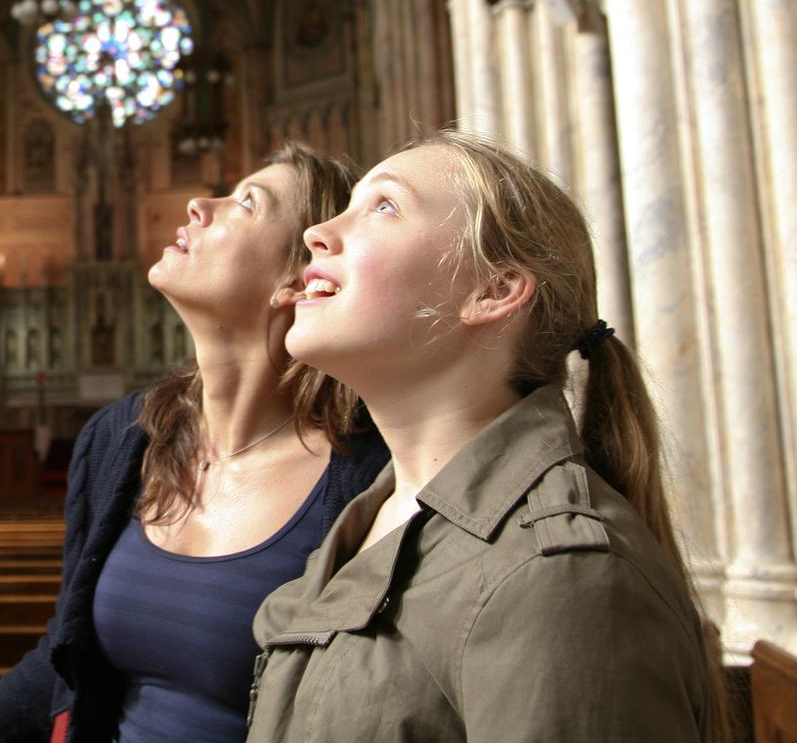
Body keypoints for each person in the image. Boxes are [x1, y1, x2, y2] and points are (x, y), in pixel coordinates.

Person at [244, 131, 725, 742]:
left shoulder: (560, 579)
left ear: (494, 291)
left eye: (384, 206)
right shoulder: (379, 514)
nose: (320, 232)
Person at [0, 141, 389, 743]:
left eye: (246, 202)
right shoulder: (119, 441)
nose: (198, 204)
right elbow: (66, 657)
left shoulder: (372, 469)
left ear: (295, 278)